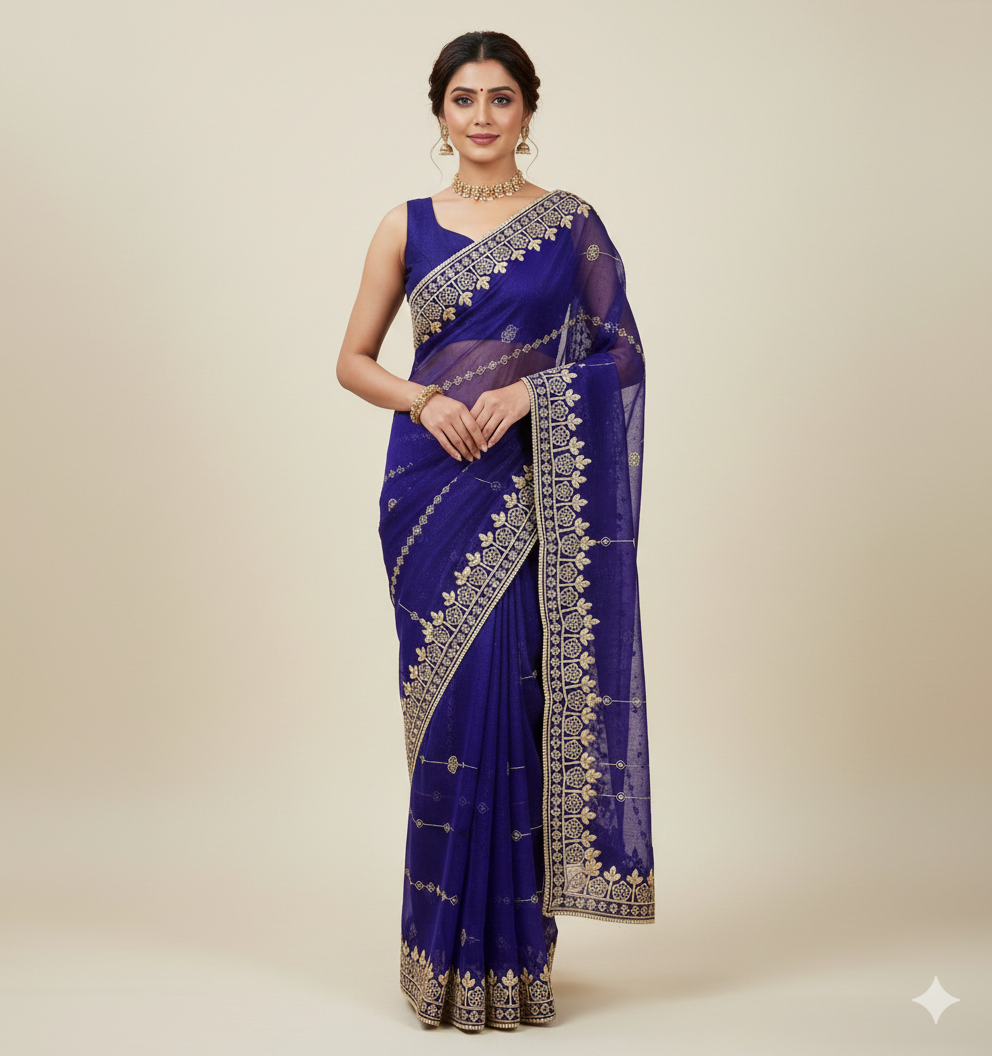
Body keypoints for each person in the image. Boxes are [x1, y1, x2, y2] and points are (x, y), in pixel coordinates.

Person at [337, 30, 653, 1033]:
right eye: (464, 99)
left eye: (501, 98)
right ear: (440, 112)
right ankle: (441, 962)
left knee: (510, 706)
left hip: (524, 491)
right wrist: (425, 399)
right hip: (429, 493)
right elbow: (352, 360)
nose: (482, 117)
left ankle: (511, 964)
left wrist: (532, 393)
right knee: (446, 720)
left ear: (527, 109)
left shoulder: (570, 225)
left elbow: (622, 354)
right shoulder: (403, 225)